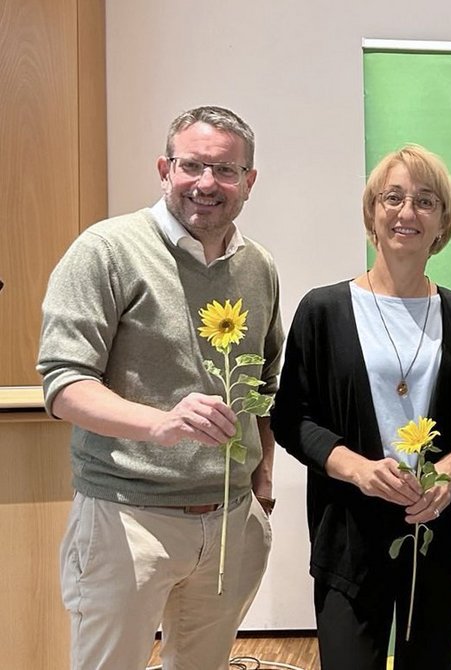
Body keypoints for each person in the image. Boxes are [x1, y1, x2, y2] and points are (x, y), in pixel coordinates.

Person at [37, 105, 283, 670]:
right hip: (127, 518)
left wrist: (262, 482)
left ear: (249, 180)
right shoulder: (106, 251)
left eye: (225, 170)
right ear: (164, 169)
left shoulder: (258, 267)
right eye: (192, 165)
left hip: (229, 521)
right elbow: (64, 383)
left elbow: (265, 386)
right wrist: (160, 423)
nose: (206, 184)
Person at [270, 144, 451, 670]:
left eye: (424, 201)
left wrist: (448, 472)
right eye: (392, 197)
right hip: (348, 533)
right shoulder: (323, 310)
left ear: (443, 221)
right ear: (372, 211)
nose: (406, 212)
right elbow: (290, 417)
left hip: (436, 532)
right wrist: (356, 469)